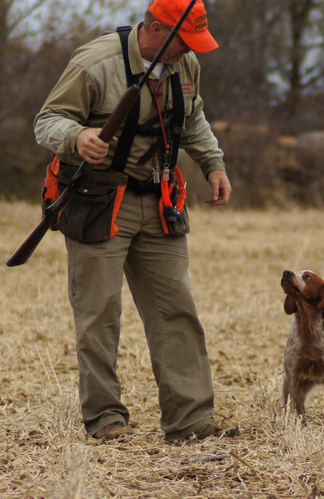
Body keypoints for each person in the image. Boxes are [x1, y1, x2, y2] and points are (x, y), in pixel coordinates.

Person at [33, 0, 233, 442]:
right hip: (100, 200)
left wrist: (213, 163)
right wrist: (78, 136)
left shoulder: (185, 64)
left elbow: (193, 117)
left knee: (176, 309)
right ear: (156, 28)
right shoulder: (95, 63)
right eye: (185, 40)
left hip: (161, 201)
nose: (189, 50)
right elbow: (47, 122)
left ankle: (191, 420)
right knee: (99, 314)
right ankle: (105, 418)